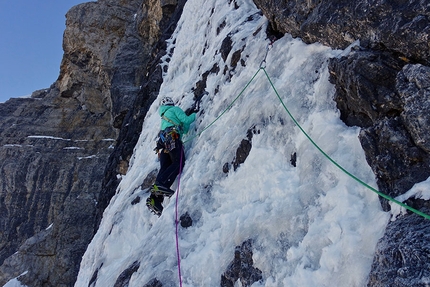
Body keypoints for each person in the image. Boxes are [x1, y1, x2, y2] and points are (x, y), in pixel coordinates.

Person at [146, 96, 197, 216]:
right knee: (178, 162)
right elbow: (186, 120)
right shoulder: (174, 110)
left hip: (163, 144)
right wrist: (195, 114)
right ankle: (162, 184)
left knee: (165, 167)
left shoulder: (164, 117)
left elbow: (184, 129)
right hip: (172, 137)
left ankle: (155, 199)